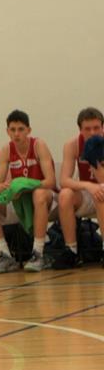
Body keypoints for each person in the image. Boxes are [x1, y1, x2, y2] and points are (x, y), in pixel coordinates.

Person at [0, 110, 57, 273]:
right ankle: (5, 255)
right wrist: (2, 187)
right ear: (7, 131)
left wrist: (23, 184)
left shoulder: (38, 145)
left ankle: (38, 253)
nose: (16, 133)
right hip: (19, 199)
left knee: (39, 194)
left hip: (46, 197)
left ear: (28, 130)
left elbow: (50, 182)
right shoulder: (6, 150)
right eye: (12, 129)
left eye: (20, 129)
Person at [55, 107, 104, 269]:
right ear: (80, 130)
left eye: (96, 128)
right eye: (87, 129)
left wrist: (96, 162)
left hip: (101, 190)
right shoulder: (73, 145)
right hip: (88, 191)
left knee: (101, 193)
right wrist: (87, 185)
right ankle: (71, 249)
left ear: (102, 127)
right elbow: (64, 180)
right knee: (65, 195)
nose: (92, 132)